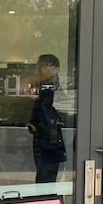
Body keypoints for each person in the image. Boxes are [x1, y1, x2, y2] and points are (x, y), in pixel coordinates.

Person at [27, 54, 67, 182]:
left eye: (42, 67)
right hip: (46, 143)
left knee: (45, 181)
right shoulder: (45, 90)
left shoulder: (51, 92)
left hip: (50, 144)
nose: (37, 71)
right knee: (46, 180)